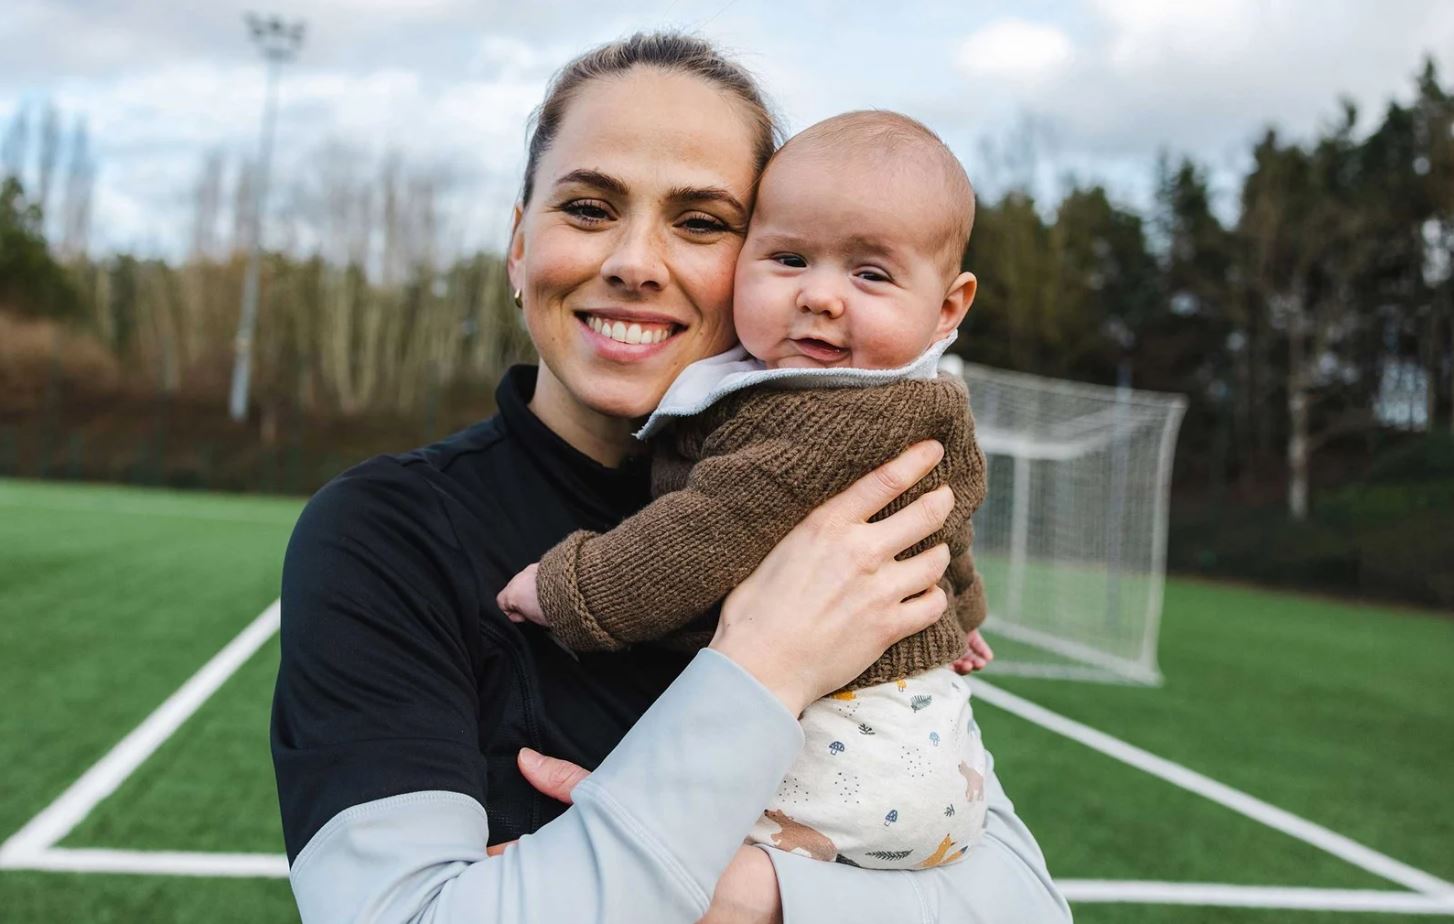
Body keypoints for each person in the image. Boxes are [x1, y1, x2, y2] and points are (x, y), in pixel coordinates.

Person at [270, 31, 1070, 924]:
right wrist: (766, 664)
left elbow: (1025, 905)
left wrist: (759, 899)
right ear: (517, 245)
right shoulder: (386, 531)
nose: (636, 263)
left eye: (700, 223)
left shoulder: (850, 504)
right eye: (586, 208)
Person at [496, 110, 1001, 871]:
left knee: (638, 856)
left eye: (869, 274)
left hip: (864, 749)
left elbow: (705, 532)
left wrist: (569, 589)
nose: (820, 297)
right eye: (790, 259)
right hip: (932, 758)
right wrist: (962, 612)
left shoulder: (831, 414)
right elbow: (947, 524)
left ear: (949, 308)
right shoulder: (896, 402)